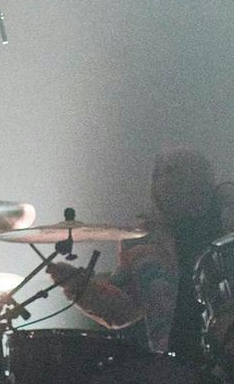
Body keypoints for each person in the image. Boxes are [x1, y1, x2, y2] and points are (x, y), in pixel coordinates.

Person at [49, 145, 234, 356]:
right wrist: (77, 285)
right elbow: (122, 311)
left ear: (204, 178)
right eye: (158, 173)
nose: (162, 180)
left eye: (173, 171)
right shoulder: (142, 241)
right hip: (177, 365)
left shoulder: (227, 222)